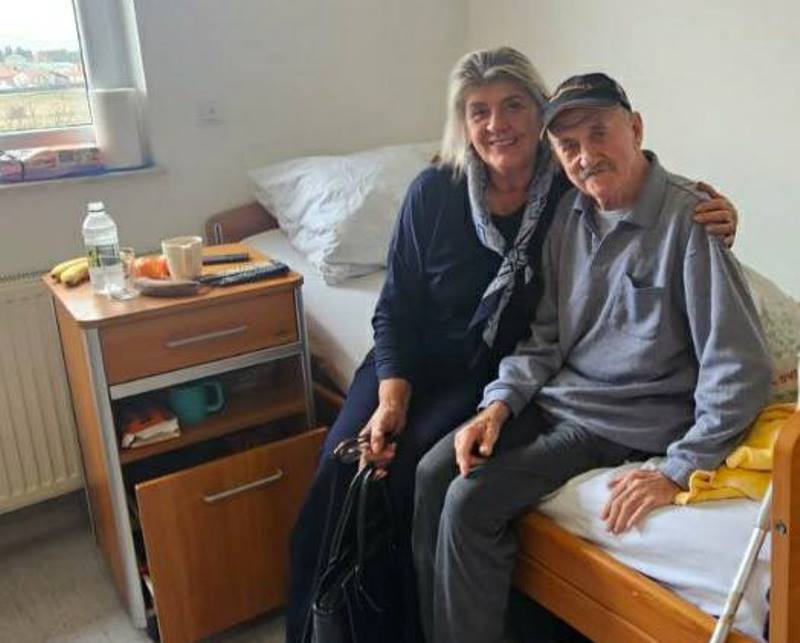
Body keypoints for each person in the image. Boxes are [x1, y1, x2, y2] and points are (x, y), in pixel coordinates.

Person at [286, 51, 737, 643]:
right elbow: (395, 309)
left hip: (493, 371)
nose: (497, 124)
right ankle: (327, 627)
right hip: (418, 361)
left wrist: (713, 215)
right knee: (345, 465)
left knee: (416, 475)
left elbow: (642, 198)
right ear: (464, 124)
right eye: (479, 112)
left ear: (540, 116)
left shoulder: (572, 193)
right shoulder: (440, 193)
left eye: (514, 106)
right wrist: (395, 398)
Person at [411, 72, 772, 643]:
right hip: (562, 397)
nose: (585, 156)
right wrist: (497, 406)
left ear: (636, 129)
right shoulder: (570, 216)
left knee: (470, 501)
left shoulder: (691, 222)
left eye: (599, 134)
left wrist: (677, 469)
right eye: (569, 145)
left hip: (621, 424)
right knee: (433, 472)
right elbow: (547, 336)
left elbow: (739, 369)